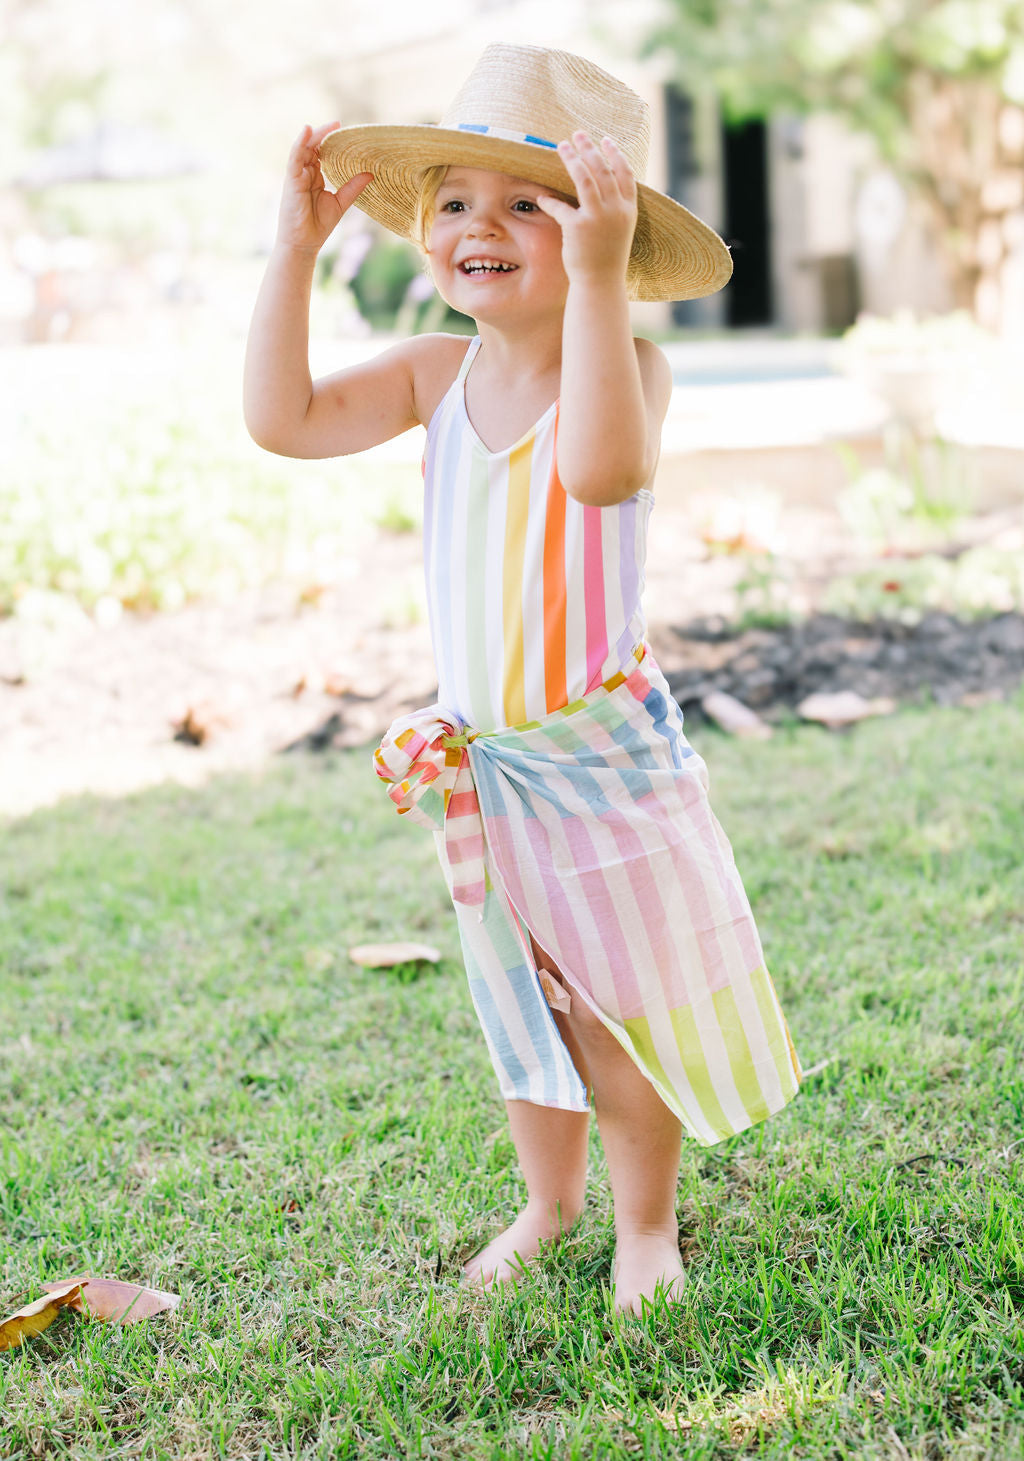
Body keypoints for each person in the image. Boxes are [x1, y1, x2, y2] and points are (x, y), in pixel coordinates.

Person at [243, 42, 802, 1315]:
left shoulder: (628, 370)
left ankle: (644, 1224)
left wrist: (603, 280)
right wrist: (294, 252)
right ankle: (547, 1203)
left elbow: (600, 472)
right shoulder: (434, 378)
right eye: (452, 204)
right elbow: (283, 420)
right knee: (524, 999)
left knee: (619, 1004)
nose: (475, 229)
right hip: (484, 766)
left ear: (592, 231)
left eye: (523, 205)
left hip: (600, 765)